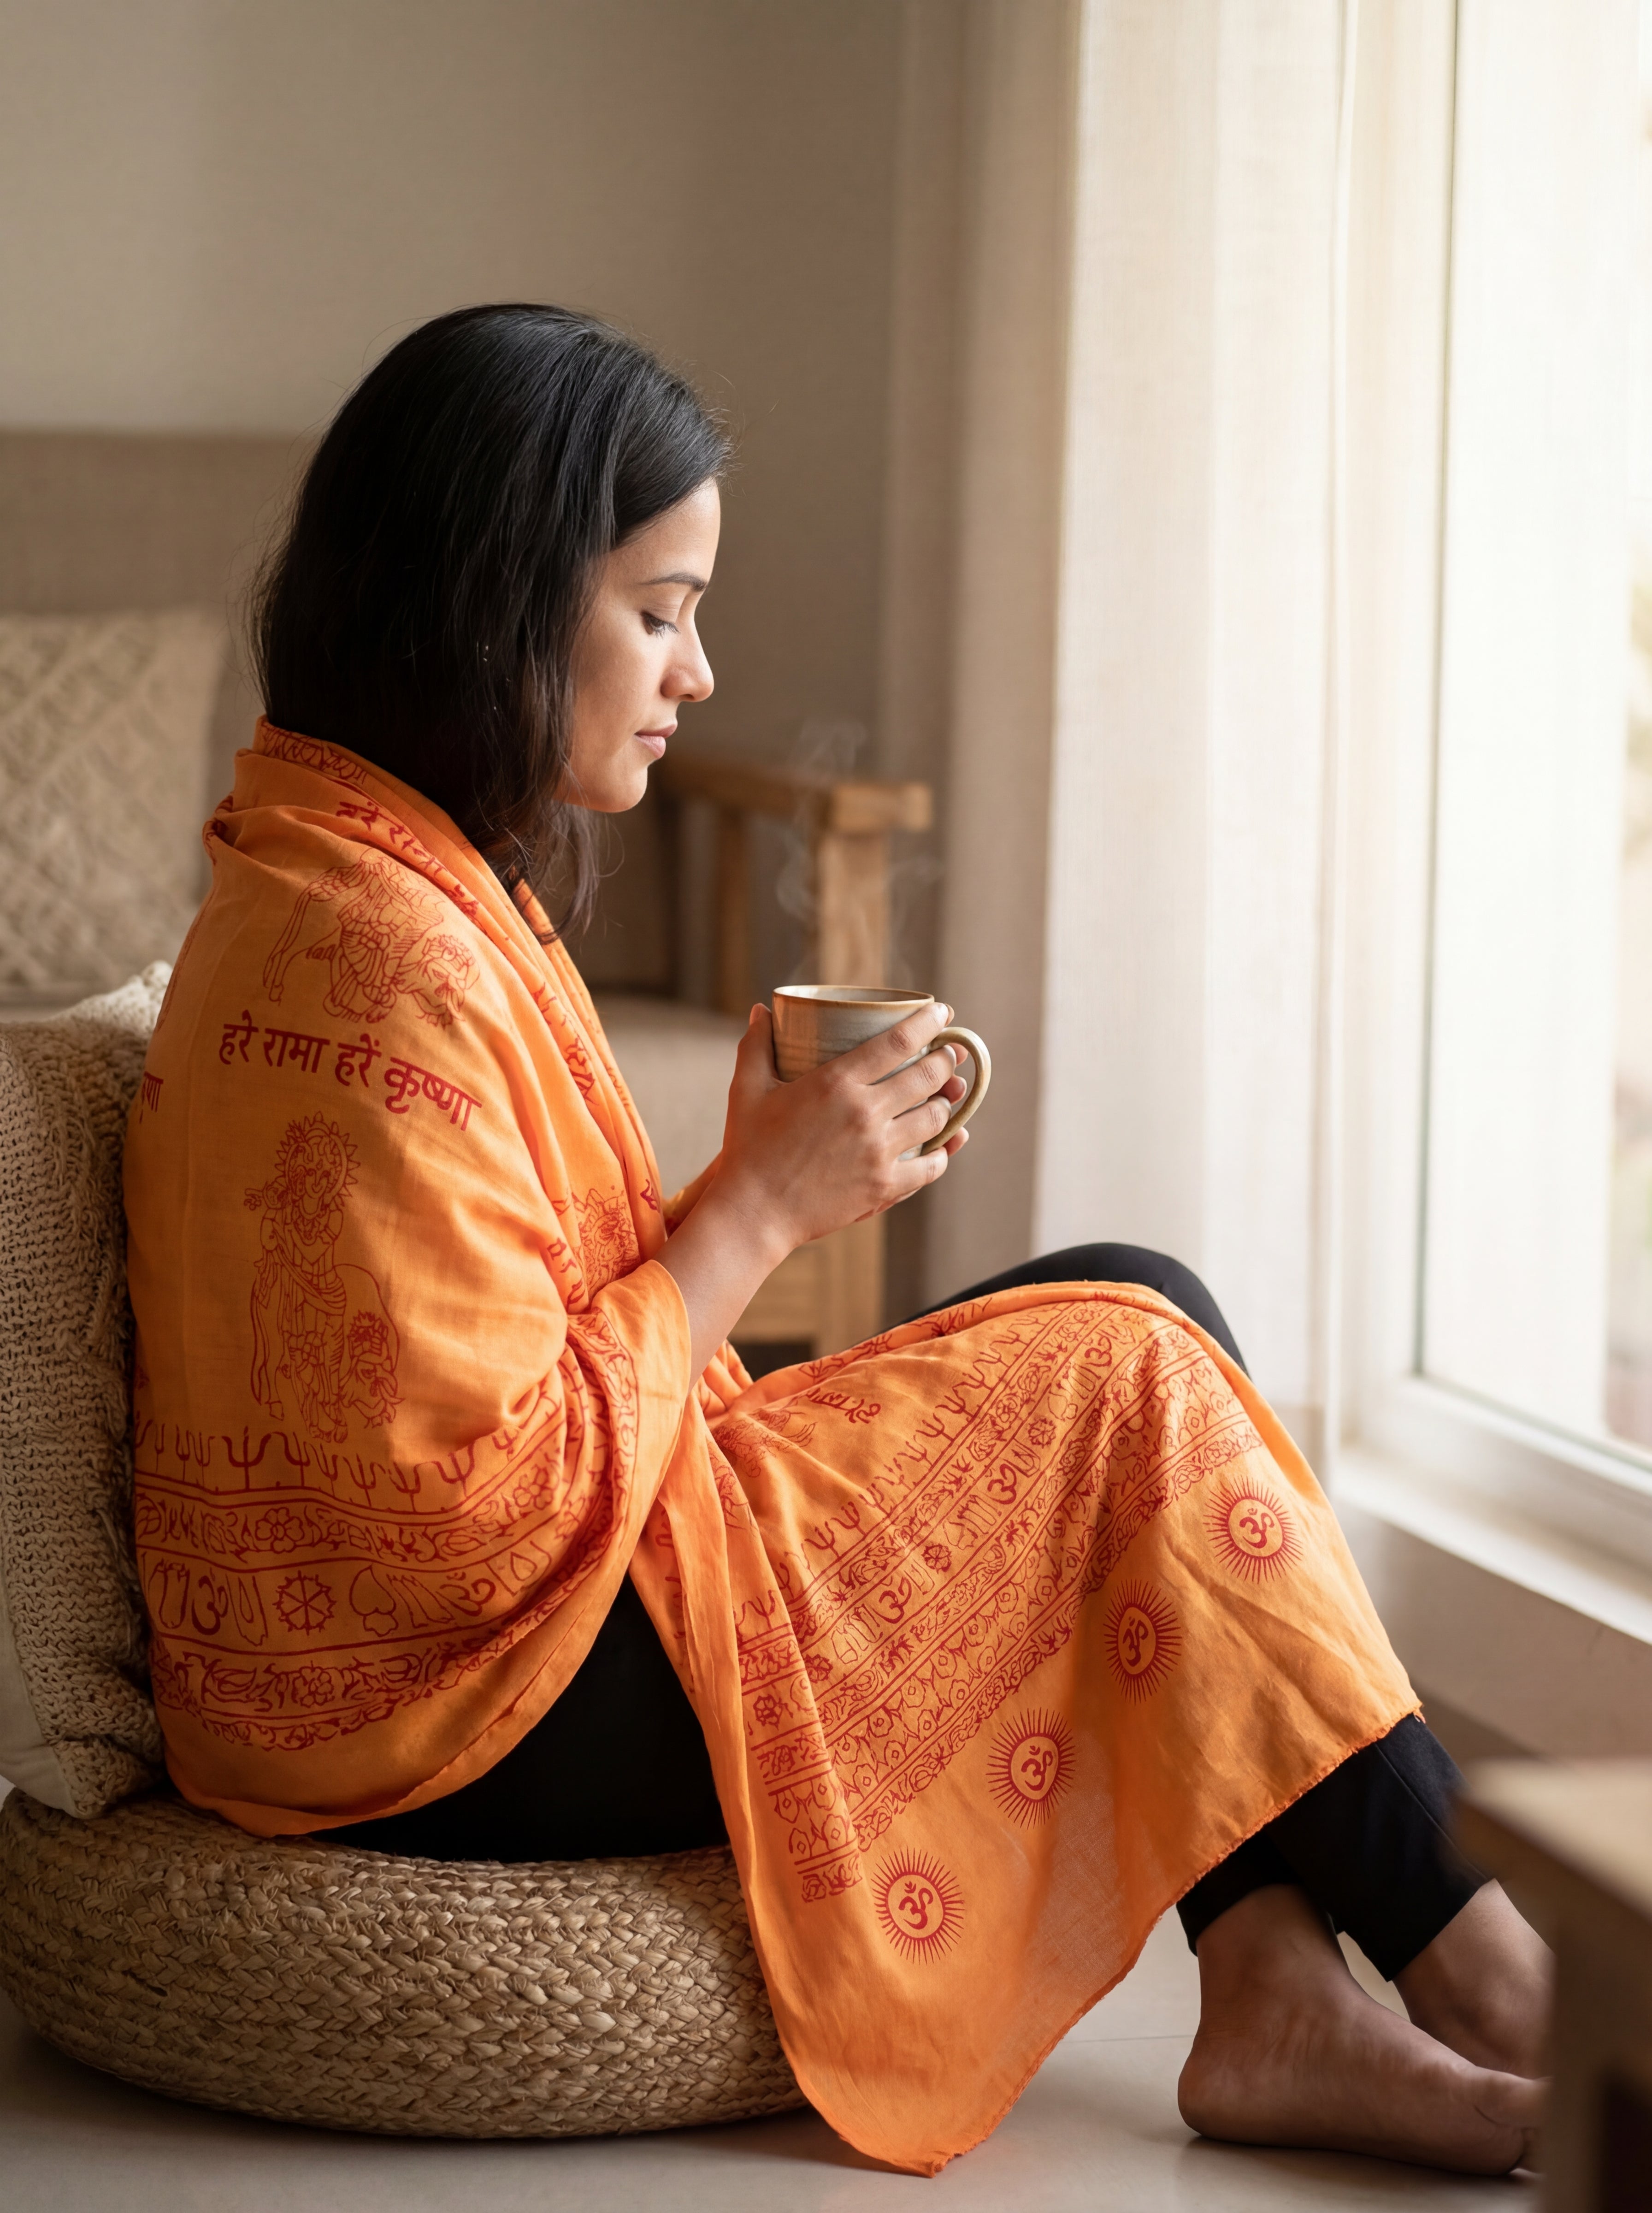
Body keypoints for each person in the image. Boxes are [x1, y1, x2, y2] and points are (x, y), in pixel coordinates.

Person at [123, 304, 1549, 2179]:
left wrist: (734, 1190)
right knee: (1126, 1364)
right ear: (495, 596)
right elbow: (467, 1519)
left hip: (483, 1634)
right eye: (657, 609)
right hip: (453, 1712)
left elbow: (501, 1336)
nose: (696, 673)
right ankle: (1515, 1987)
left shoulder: (360, 870)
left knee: (1139, 1303)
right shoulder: (372, 962)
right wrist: (760, 1208)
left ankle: (1274, 1983)